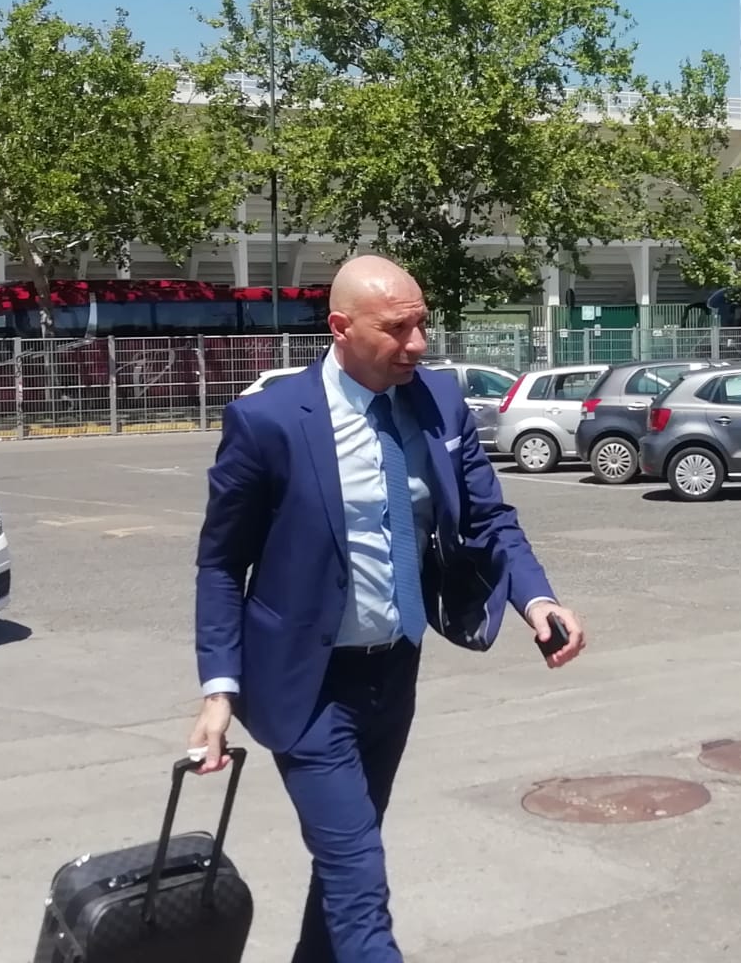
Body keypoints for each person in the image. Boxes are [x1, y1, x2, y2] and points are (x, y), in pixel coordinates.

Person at [189, 254, 585, 963]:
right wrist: (219, 689)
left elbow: (490, 517)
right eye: (397, 329)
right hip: (306, 688)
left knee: (348, 862)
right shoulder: (269, 421)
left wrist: (537, 598)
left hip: (393, 675)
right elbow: (221, 564)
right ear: (341, 328)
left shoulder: (437, 400)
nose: (418, 344)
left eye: (422, 324)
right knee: (359, 883)